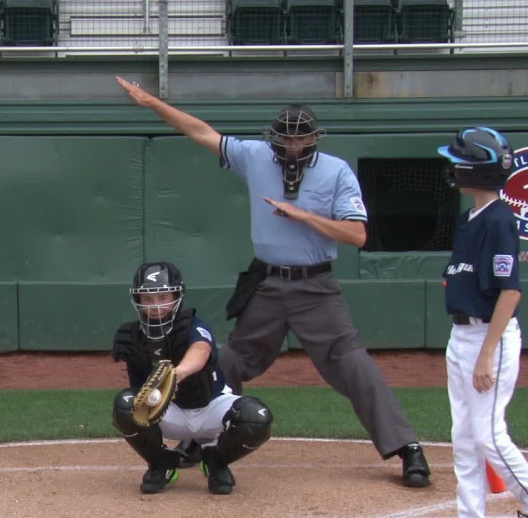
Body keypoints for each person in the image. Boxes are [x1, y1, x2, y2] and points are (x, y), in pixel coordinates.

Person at [115, 77, 430, 487]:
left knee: (354, 365)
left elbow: (357, 235)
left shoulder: (336, 172)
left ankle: (407, 449)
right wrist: (151, 102)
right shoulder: (255, 156)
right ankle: (205, 438)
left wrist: (305, 218)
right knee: (225, 361)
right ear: (274, 138)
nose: (292, 147)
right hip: (266, 282)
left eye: (301, 139)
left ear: (315, 139)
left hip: (316, 287)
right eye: (285, 138)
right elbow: (202, 132)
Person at [422, 127, 528, 518]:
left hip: (491, 337)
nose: (453, 167)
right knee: (464, 437)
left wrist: (487, 352)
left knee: (488, 434)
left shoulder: (500, 220)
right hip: (461, 335)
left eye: (459, 161)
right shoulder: (469, 219)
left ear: (474, 169)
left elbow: (509, 292)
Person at [111, 261, 273, 495]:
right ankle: (162, 463)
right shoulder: (132, 337)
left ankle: (216, 461)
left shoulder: (193, 325)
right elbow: (139, 397)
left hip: (211, 406)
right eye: (148, 298)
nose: (156, 305)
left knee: (256, 417)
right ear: (138, 300)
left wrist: (176, 374)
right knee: (125, 405)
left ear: (177, 296)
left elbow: (200, 350)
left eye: (163, 297)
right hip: (168, 411)